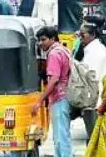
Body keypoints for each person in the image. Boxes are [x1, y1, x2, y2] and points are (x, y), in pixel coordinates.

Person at [33, 26, 73, 157]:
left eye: (43, 40)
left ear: (52, 38)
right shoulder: (64, 50)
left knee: (60, 137)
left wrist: (40, 101)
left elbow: (54, 79)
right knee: (63, 134)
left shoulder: (54, 54)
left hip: (59, 97)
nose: (40, 43)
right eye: (39, 40)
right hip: (66, 95)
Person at [74, 23, 106, 140]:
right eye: (79, 35)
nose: (80, 38)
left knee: (94, 136)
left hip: (94, 100)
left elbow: (90, 77)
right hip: (94, 99)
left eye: (83, 35)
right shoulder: (93, 49)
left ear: (93, 35)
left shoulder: (95, 51)